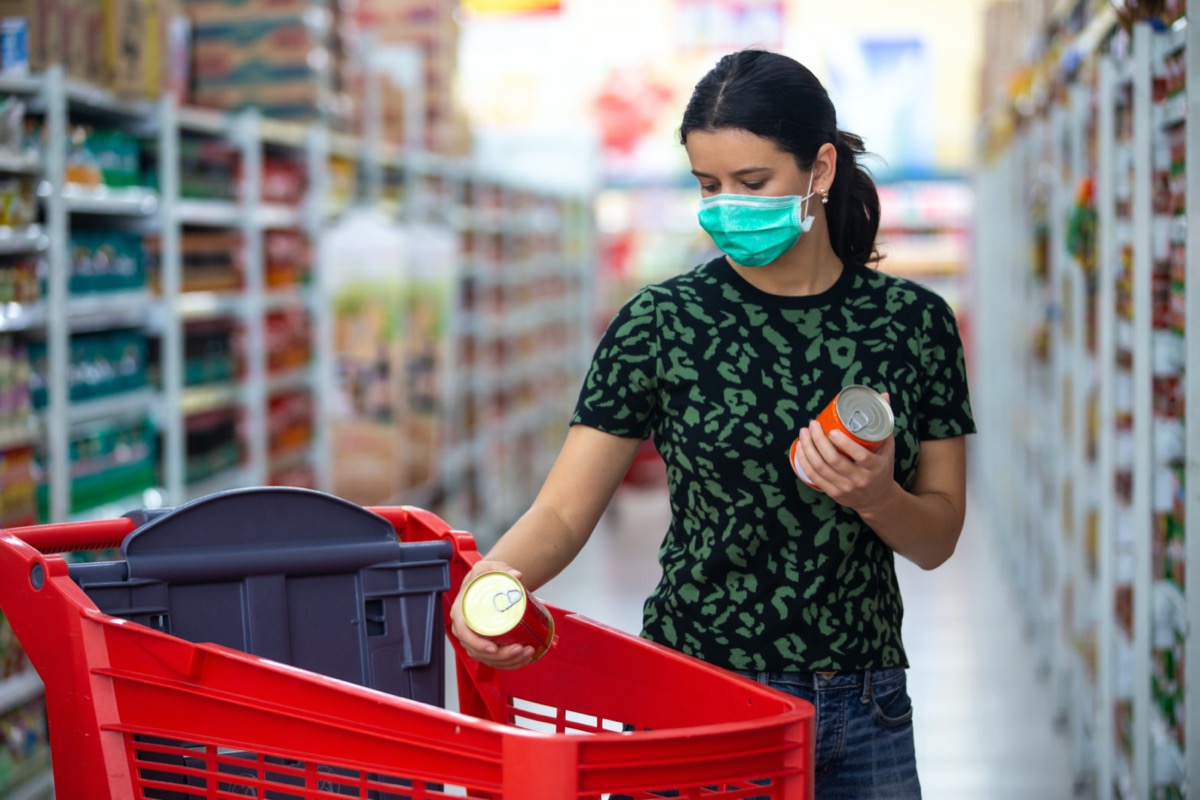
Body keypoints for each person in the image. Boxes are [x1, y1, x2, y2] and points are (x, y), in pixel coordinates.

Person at [449, 48, 975, 799]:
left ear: (820, 171)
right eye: (707, 184)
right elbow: (565, 510)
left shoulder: (914, 324)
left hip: (866, 704)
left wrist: (877, 496)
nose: (725, 204)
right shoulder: (661, 323)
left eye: (751, 183)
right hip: (698, 698)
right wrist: (497, 579)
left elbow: (939, 537)